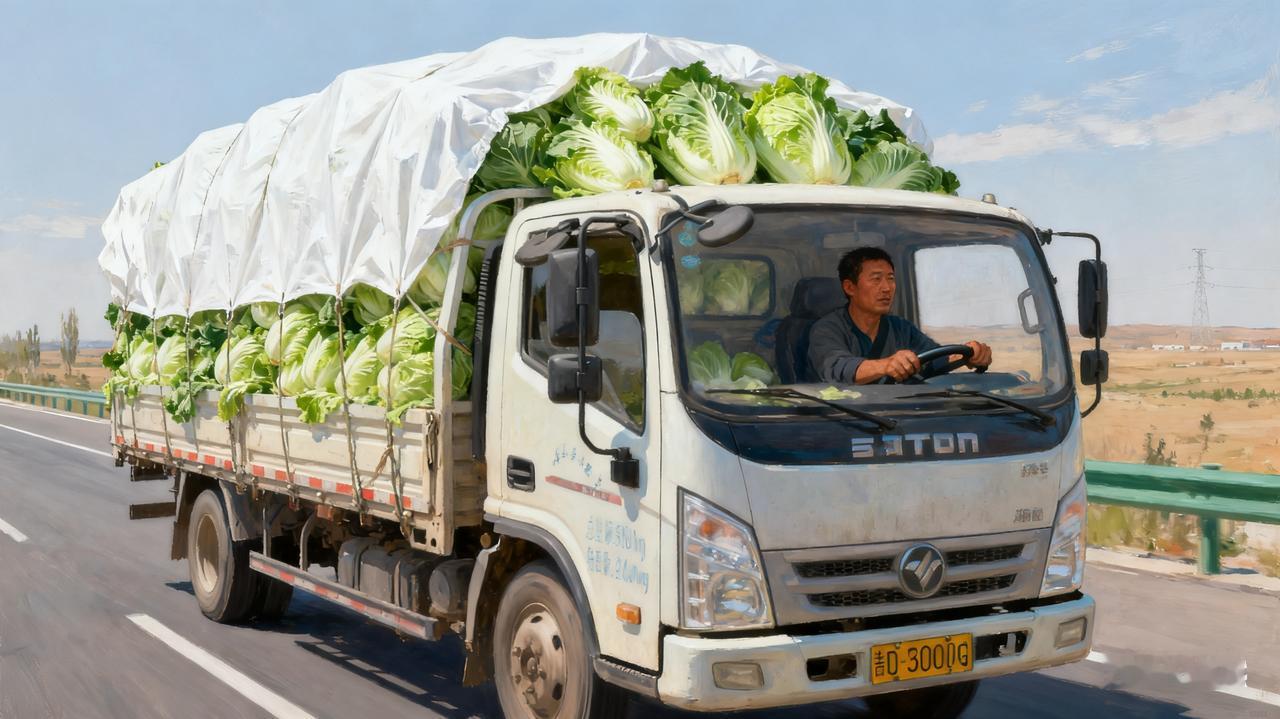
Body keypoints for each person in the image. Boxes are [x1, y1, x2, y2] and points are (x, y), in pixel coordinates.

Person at [808, 246, 993, 384]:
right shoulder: (827, 329)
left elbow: (933, 360)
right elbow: (838, 368)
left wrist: (968, 355)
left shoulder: (900, 328)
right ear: (850, 287)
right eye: (876, 279)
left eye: (890, 278)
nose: (887, 288)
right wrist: (887, 365)